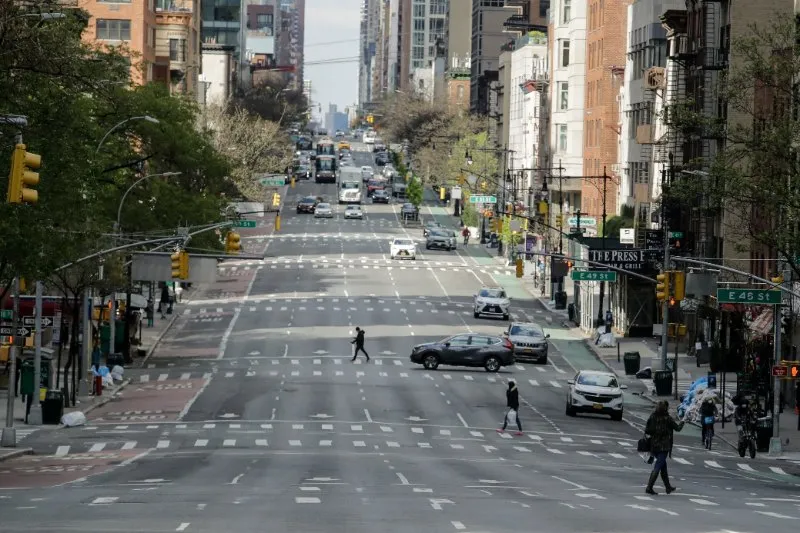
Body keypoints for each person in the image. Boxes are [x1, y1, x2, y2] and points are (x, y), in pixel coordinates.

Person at [644, 400, 684, 495]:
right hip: (664, 446)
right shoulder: (668, 419)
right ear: (665, 409)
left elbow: (647, 430)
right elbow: (677, 428)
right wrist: (683, 422)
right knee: (658, 466)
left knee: (663, 466)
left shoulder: (652, 417)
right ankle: (649, 487)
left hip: (654, 445)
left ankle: (668, 487)